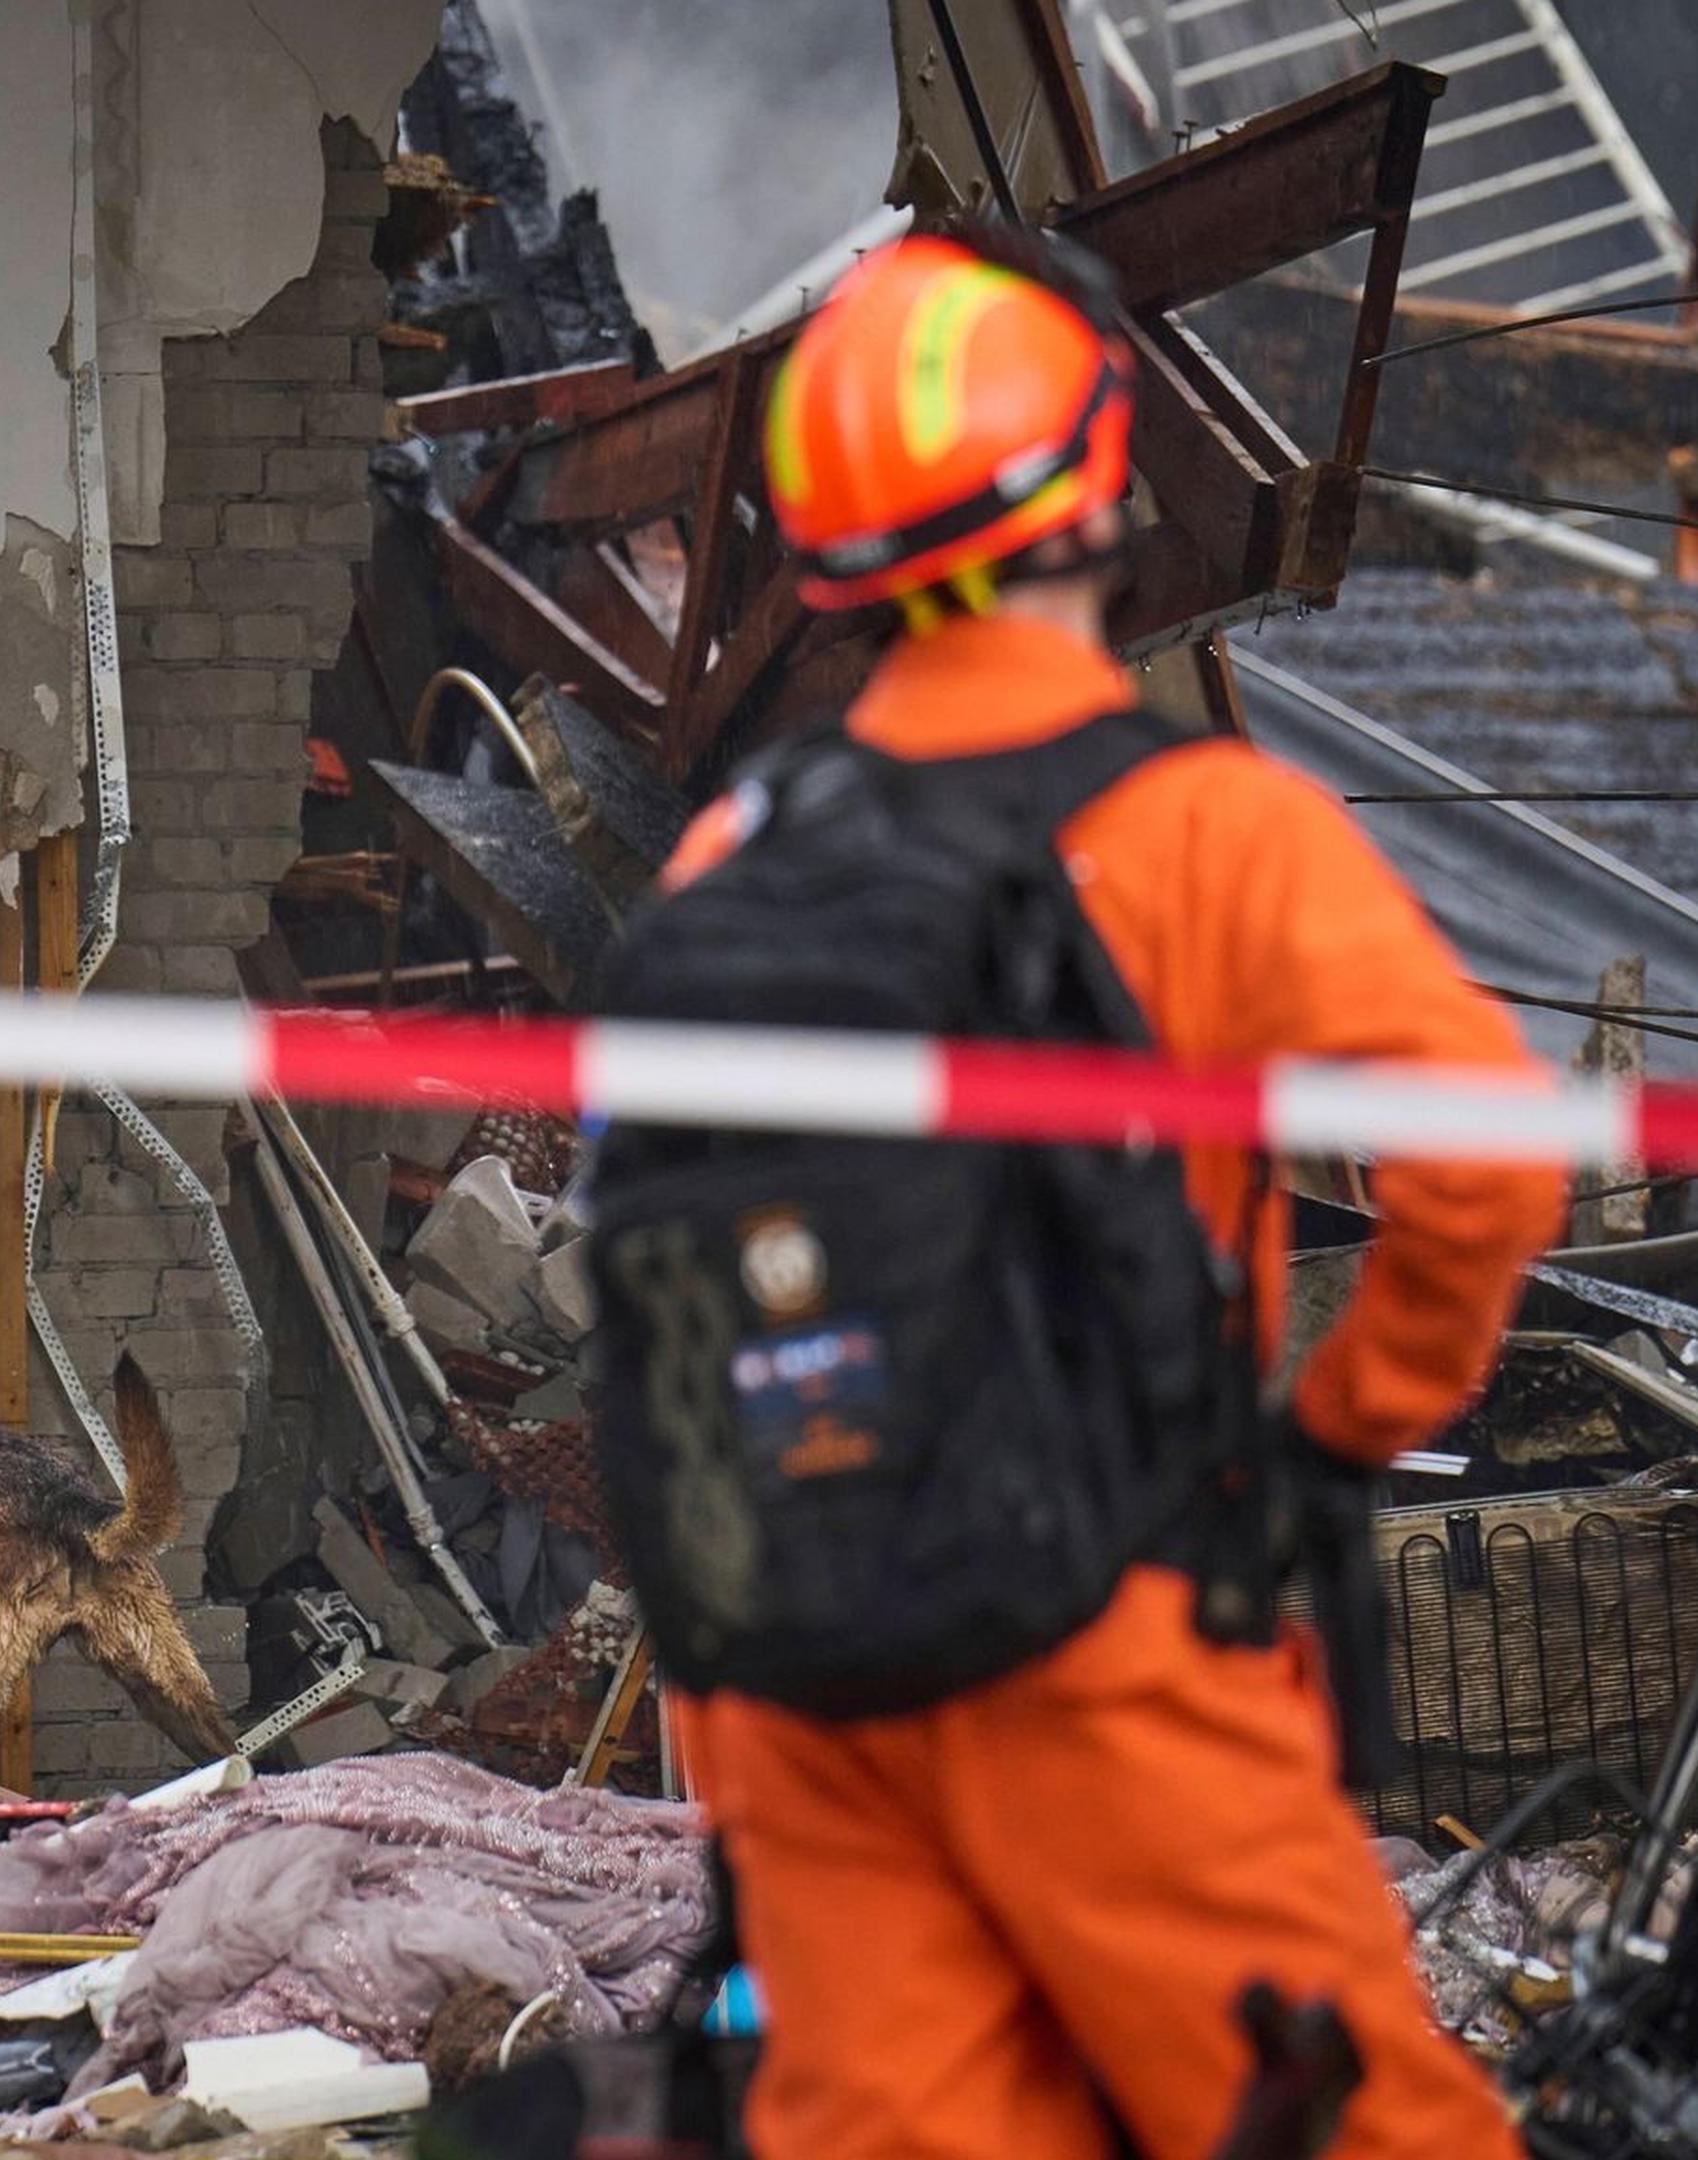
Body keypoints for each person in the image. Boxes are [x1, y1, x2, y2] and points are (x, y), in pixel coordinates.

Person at [650, 234, 1563, 2160]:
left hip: (795, 1679)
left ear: (833, 562)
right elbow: (1481, 1154)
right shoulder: (1201, 829)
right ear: (1100, 486)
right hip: (1105, 1645)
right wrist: (1342, 1420)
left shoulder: (729, 857)